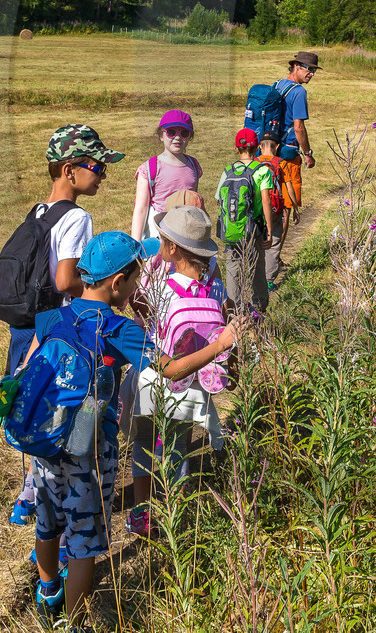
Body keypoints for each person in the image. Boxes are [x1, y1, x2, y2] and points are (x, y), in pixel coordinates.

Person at [25, 231, 236, 630]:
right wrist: (220, 343)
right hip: (88, 449)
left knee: (48, 522)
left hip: (45, 442)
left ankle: (49, 590)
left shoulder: (51, 317)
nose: (139, 284)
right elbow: (171, 369)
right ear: (118, 281)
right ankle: (75, 623)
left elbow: (27, 371)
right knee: (84, 541)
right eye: (137, 277)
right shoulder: (118, 329)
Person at [10, 124, 120, 526]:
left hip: (27, 327)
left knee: (32, 406)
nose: (103, 174)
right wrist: (100, 292)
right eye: (97, 166)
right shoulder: (76, 216)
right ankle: (61, 507)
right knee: (61, 416)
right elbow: (64, 280)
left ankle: (28, 497)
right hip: (60, 333)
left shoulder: (38, 211)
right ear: (70, 170)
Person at [124, 205, 233, 538]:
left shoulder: (162, 288)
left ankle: (142, 512)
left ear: (172, 249)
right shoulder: (216, 289)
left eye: (162, 240)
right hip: (195, 382)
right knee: (177, 444)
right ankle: (179, 513)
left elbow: (144, 324)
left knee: (145, 440)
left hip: (157, 379)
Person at [215, 128, 277, 314]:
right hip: (254, 230)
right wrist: (269, 229)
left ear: (236, 149)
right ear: (257, 148)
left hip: (232, 230)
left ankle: (233, 312)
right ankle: (260, 306)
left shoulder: (228, 171)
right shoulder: (262, 171)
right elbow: (266, 201)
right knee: (257, 267)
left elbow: (219, 200)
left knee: (233, 270)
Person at [129, 110, 203, 241]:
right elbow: (141, 209)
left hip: (186, 230)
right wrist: (135, 243)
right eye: (171, 132)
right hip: (159, 232)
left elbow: (193, 198)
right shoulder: (149, 168)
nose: (177, 137)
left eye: (184, 133)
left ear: (190, 137)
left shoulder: (193, 165)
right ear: (161, 135)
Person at [274, 51, 318, 229]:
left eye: (314, 71)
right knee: (286, 205)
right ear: (297, 67)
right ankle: (277, 247)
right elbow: (298, 128)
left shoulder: (277, 84)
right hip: (288, 154)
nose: (312, 74)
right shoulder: (299, 92)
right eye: (309, 69)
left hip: (269, 150)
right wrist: (308, 153)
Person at [256, 132, 288, 293]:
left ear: (259, 147)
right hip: (274, 208)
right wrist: (294, 207)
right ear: (277, 146)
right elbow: (288, 186)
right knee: (274, 243)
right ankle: (269, 281)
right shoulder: (281, 163)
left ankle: (254, 277)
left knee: (256, 242)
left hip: (257, 208)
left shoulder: (254, 163)